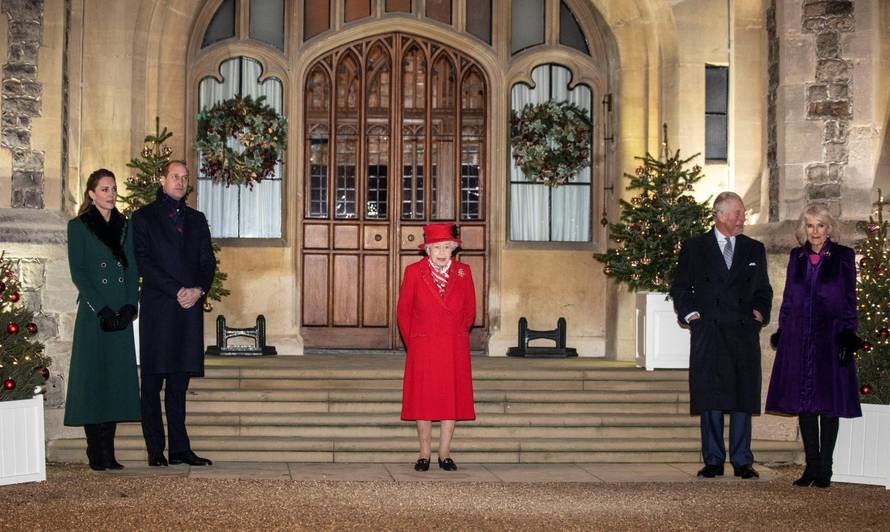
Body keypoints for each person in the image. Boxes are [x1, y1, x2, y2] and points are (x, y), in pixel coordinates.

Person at [670, 191, 773, 479]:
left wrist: (758, 313)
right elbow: (680, 287)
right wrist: (692, 316)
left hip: (742, 332)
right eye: (738, 213)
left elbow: (764, 290)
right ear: (720, 215)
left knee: (742, 396)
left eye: (742, 213)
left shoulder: (754, 249)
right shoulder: (695, 247)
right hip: (710, 332)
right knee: (710, 397)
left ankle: (742, 460)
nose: (743, 218)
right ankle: (713, 459)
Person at [765, 203, 862, 488]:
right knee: (805, 404)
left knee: (828, 405)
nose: (815, 231)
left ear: (829, 228)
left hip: (830, 337)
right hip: (799, 337)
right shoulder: (797, 257)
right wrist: (782, 331)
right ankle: (812, 466)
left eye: (820, 225)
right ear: (803, 229)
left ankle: (826, 469)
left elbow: (848, 299)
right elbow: (790, 298)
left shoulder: (844, 256)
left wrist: (847, 334)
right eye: (810, 226)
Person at [132, 160, 215, 467]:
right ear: (162, 179)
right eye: (175, 177)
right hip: (159, 309)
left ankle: (181, 448)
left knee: (179, 384)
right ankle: (156, 450)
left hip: (189, 311)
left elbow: (208, 262)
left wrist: (198, 290)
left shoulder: (197, 219)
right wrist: (176, 290)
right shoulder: (143, 218)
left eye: (184, 177)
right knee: (152, 384)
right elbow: (143, 262)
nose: (180, 182)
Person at [65, 168, 141, 471]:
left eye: (113, 188)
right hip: (95, 315)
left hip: (120, 314)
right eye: (105, 189)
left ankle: (110, 451)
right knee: (92, 379)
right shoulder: (79, 226)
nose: (111, 194)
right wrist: (102, 308)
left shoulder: (126, 226)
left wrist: (130, 306)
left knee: (115, 381)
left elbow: (133, 268)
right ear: (91, 193)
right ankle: (94, 450)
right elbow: (78, 272)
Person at [397, 223, 476, 472]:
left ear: (453, 249)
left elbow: (470, 311)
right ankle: (424, 454)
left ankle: (444, 454)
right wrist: (415, 342)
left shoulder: (464, 272)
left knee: (450, 400)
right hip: (423, 345)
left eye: (447, 247)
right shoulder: (413, 272)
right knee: (423, 400)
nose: (442, 252)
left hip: (453, 346)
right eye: (437, 247)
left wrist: (456, 335)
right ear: (427, 250)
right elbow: (403, 312)